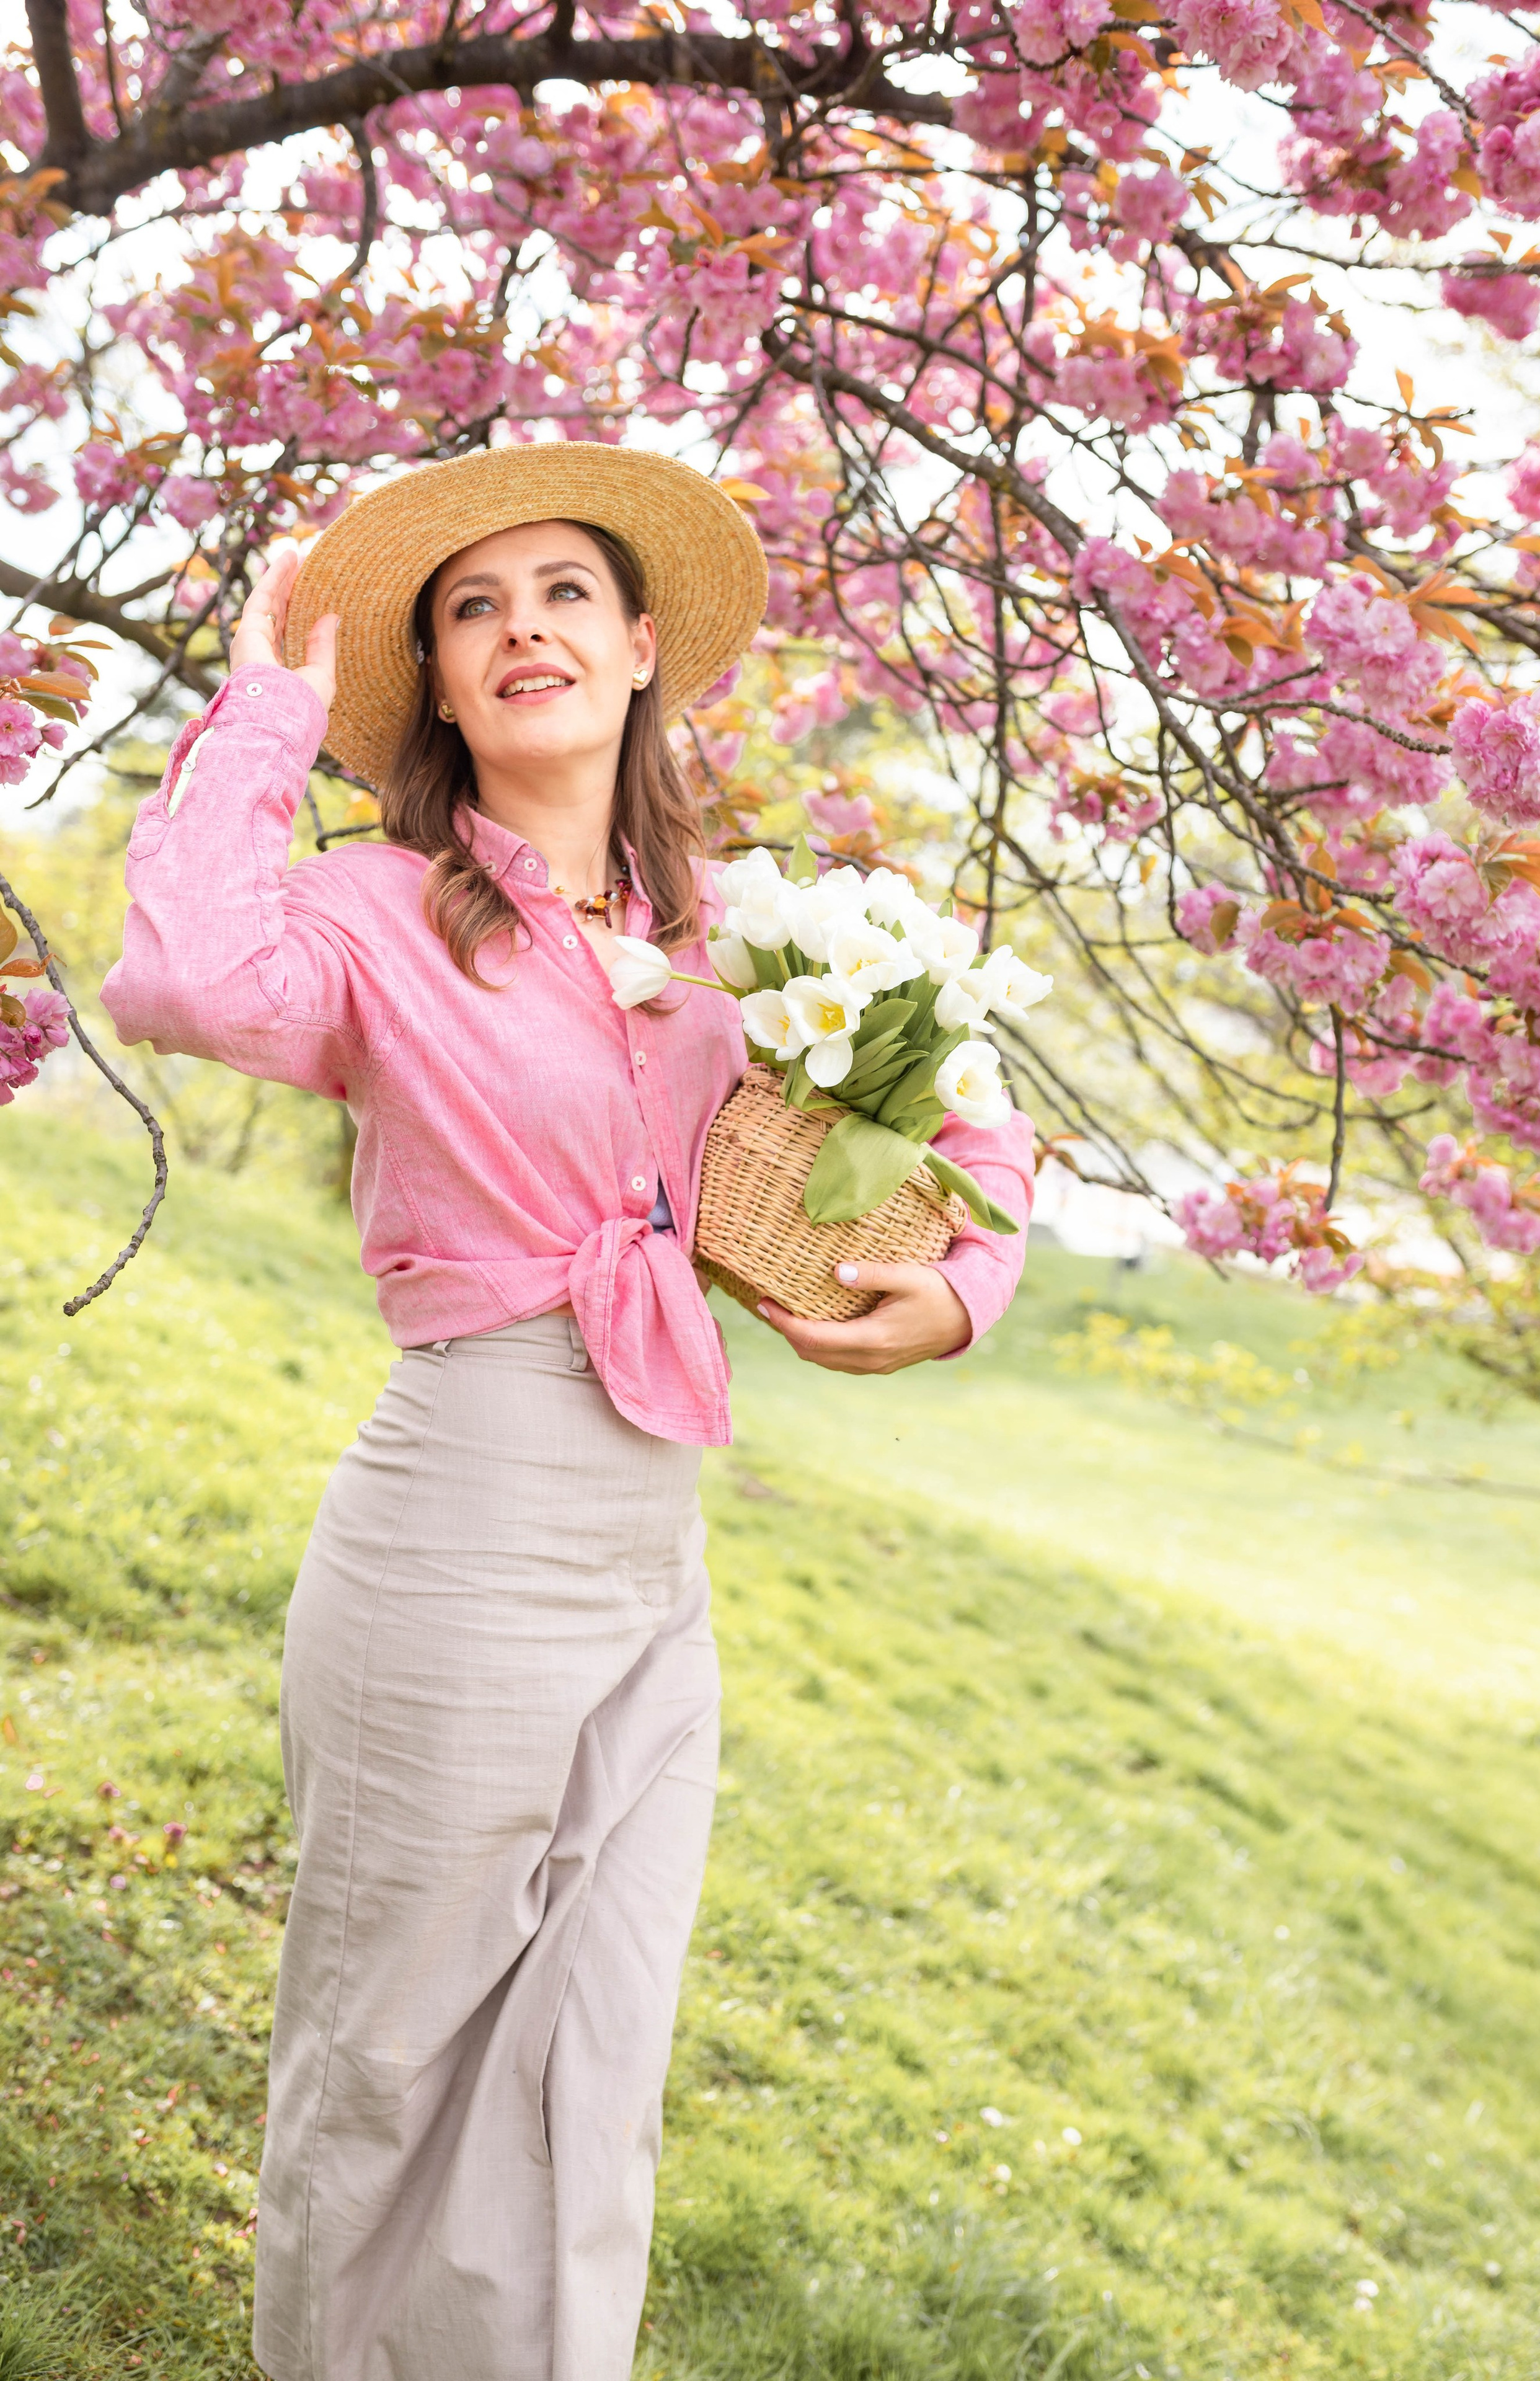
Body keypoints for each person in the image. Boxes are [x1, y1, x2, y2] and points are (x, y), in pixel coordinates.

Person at [100, 442, 1035, 2381]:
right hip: (457, 1511)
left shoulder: (744, 946)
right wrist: (279, 691)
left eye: (562, 596)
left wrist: (954, 1291)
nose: (521, 626)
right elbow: (181, 971)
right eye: (471, 609)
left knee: (587, 2067)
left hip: (652, 1539)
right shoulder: (376, 914)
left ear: (639, 652)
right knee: (388, 2043)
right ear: (438, 688)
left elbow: (967, 1112)